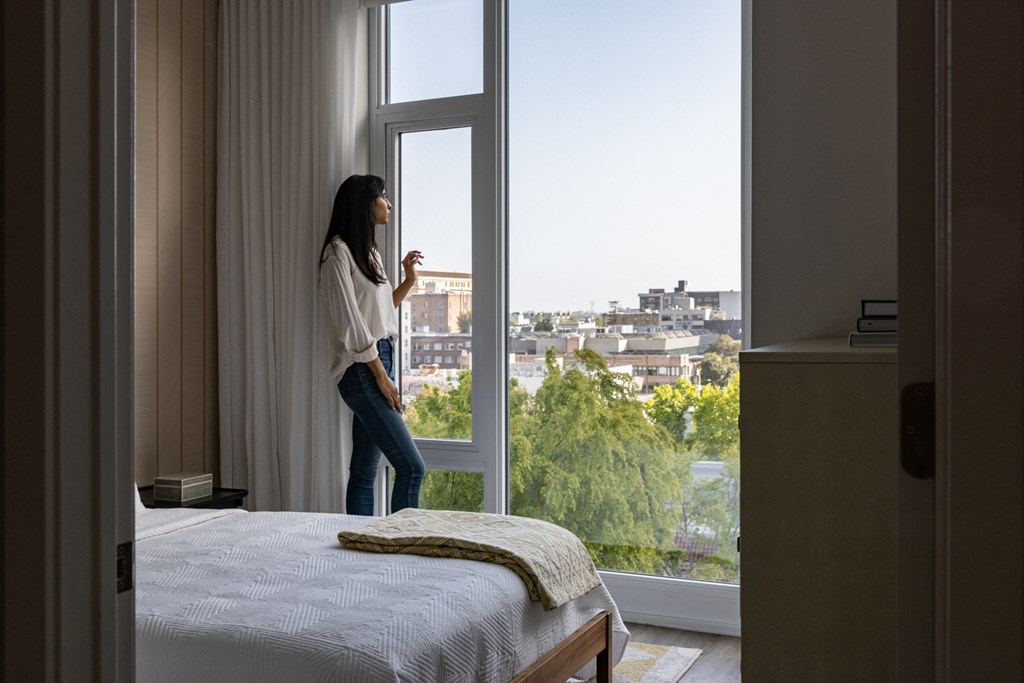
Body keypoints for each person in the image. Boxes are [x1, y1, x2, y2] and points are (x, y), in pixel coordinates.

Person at [319, 174, 425, 515]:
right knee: (411, 467)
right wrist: (379, 373)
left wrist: (408, 281)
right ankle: (405, 550)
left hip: (380, 359)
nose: (389, 204)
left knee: (364, 472)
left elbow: (378, 313)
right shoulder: (337, 253)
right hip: (363, 367)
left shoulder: (368, 252)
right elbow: (351, 322)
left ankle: (360, 549)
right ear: (366, 204)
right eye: (383, 196)